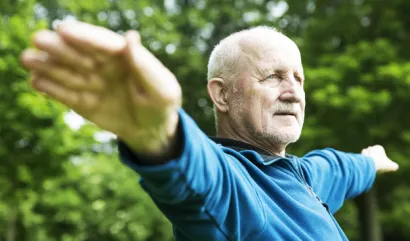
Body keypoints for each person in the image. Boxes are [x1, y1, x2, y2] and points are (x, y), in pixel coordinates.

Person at [20, 21, 398, 241]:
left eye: (299, 79)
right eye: (274, 77)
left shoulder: (307, 178)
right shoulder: (233, 185)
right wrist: (161, 135)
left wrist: (372, 162)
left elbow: (341, 167)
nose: (294, 92)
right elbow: (198, 180)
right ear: (221, 94)